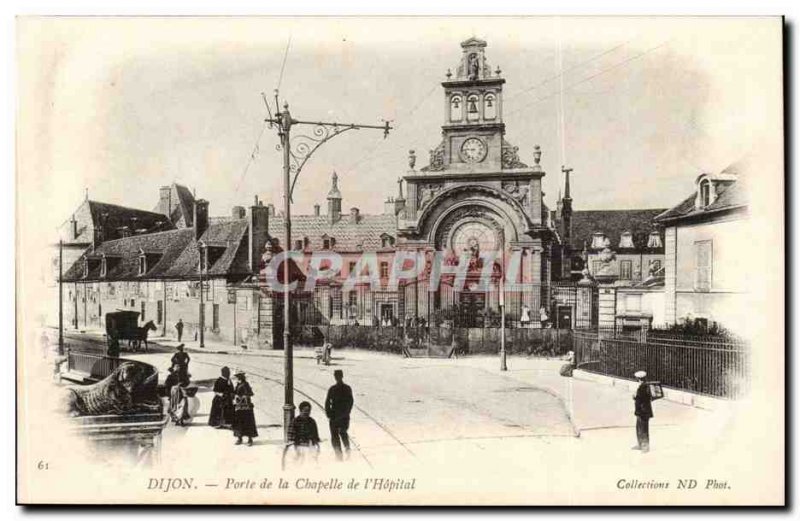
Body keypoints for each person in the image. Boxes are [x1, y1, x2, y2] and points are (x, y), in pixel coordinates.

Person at [325, 370, 354, 460]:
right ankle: (343, 451)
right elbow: (350, 402)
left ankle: (342, 453)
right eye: (337, 376)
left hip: (338, 415)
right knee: (340, 433)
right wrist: (329, 413)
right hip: (340, 415)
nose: (337, 378)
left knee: (337, 434)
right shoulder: (346, 388)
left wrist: (329, 413)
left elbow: (327, 402)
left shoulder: (333, 388)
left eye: (337, 376)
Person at [232, 371, 258, 446]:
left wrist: (242, 396)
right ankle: (239, 438)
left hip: (246, 407)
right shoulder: (238, 384)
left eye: (236, 377)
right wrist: (235, 396)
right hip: (239, 406)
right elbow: (235, 393)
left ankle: (250, 439)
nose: (235, 379)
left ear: (239, 378)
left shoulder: (245, 384)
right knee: (239, 422)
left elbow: (250, 393)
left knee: (248, 422)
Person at [632, 370, 653, 453]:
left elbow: (642, 398)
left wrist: (635, 397)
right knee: (639, 428)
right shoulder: (643, 386)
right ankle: (640, 444)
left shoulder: (643, 387)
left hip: (643, 411)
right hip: (641, 410)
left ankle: (645, 447)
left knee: (643, 429)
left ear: (639, 379)